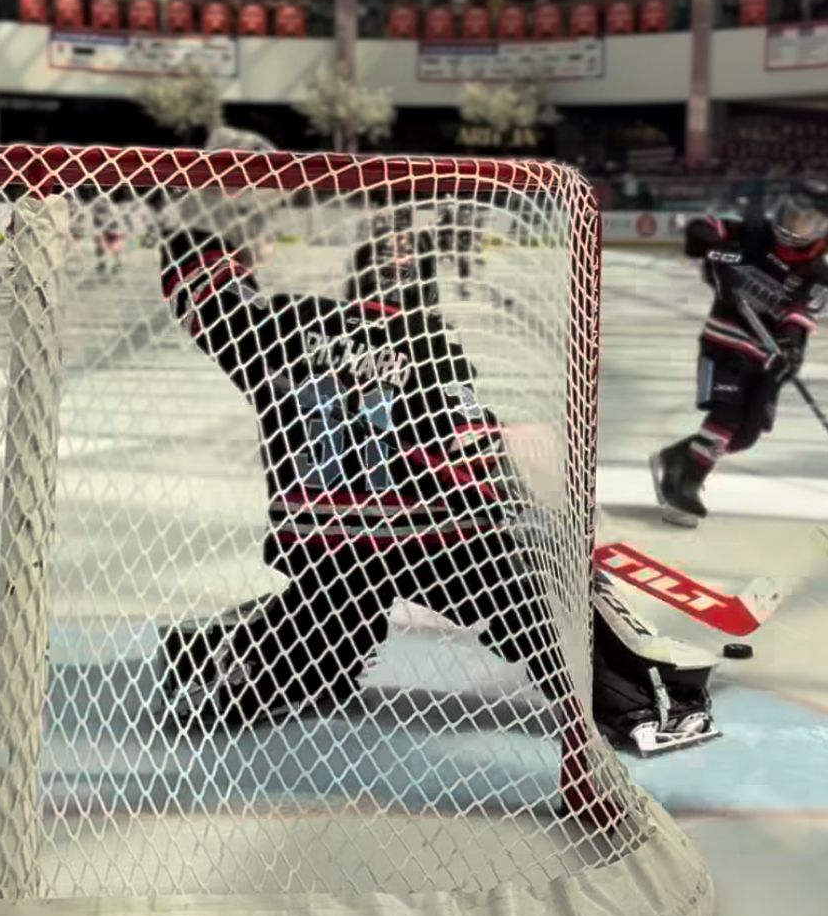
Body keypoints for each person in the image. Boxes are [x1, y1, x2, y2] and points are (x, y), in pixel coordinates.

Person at [157, 212, 718, 761]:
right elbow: (455, 451)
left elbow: (204, 292)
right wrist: (536, 518)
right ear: (426, 287)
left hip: (324, 545)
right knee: (538, 609)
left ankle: (204, 652)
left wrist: (203, 244)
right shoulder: (428, 339)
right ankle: (639, 704)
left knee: (319, 660)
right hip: (431, 537)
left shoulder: (282, 324)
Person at [650, 179, 828, 526]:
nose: (800, 227)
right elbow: (701, 229)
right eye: (797, 217)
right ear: (784, 208)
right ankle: (687, 484)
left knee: (745, 434)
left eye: (811, 222)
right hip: (726, 339)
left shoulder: (821, 266)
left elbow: (800, 314)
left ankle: (679, 457)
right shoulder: (753, 232)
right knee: (727, 415)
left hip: (768, 355)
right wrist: (717, 249)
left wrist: (791, 349)